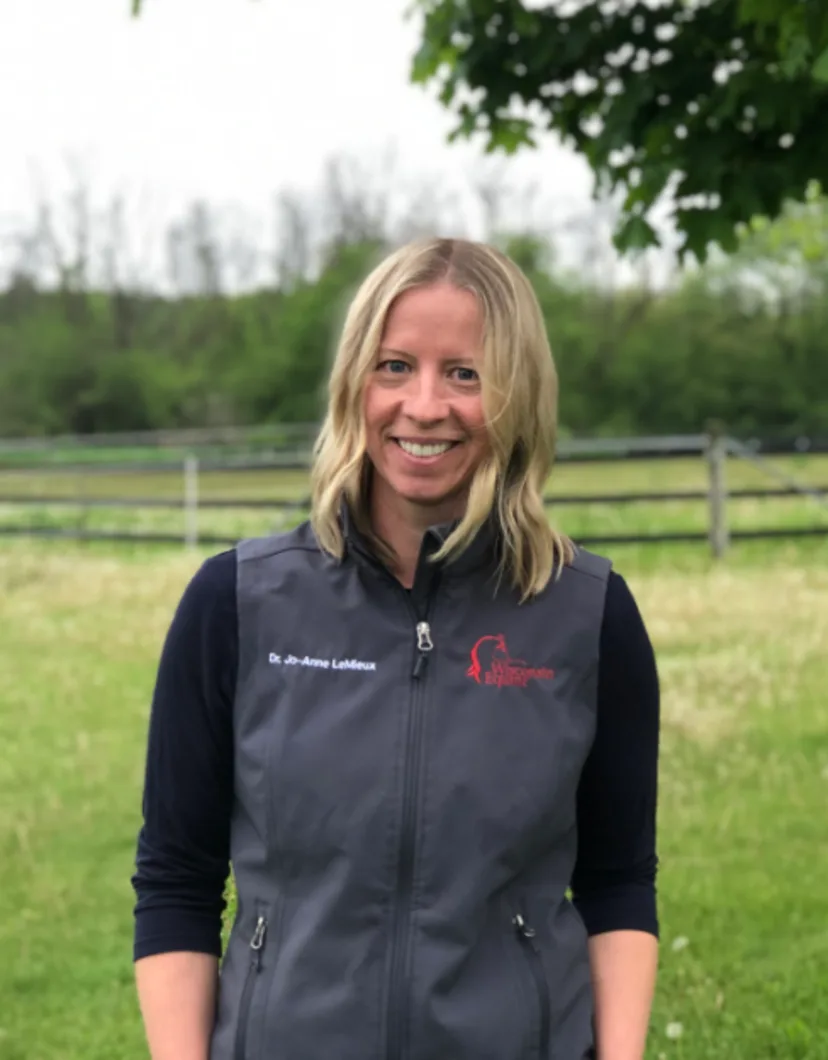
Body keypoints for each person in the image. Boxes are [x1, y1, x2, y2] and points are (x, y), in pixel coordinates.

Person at [131, 237, 660, 1060]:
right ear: (354, 385)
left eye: (465, 373)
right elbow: (176, 878)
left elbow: (618, 881)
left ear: (517, 394)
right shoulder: (235, 604)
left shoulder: (588, 615)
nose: (423, 405)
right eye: (394, 366)